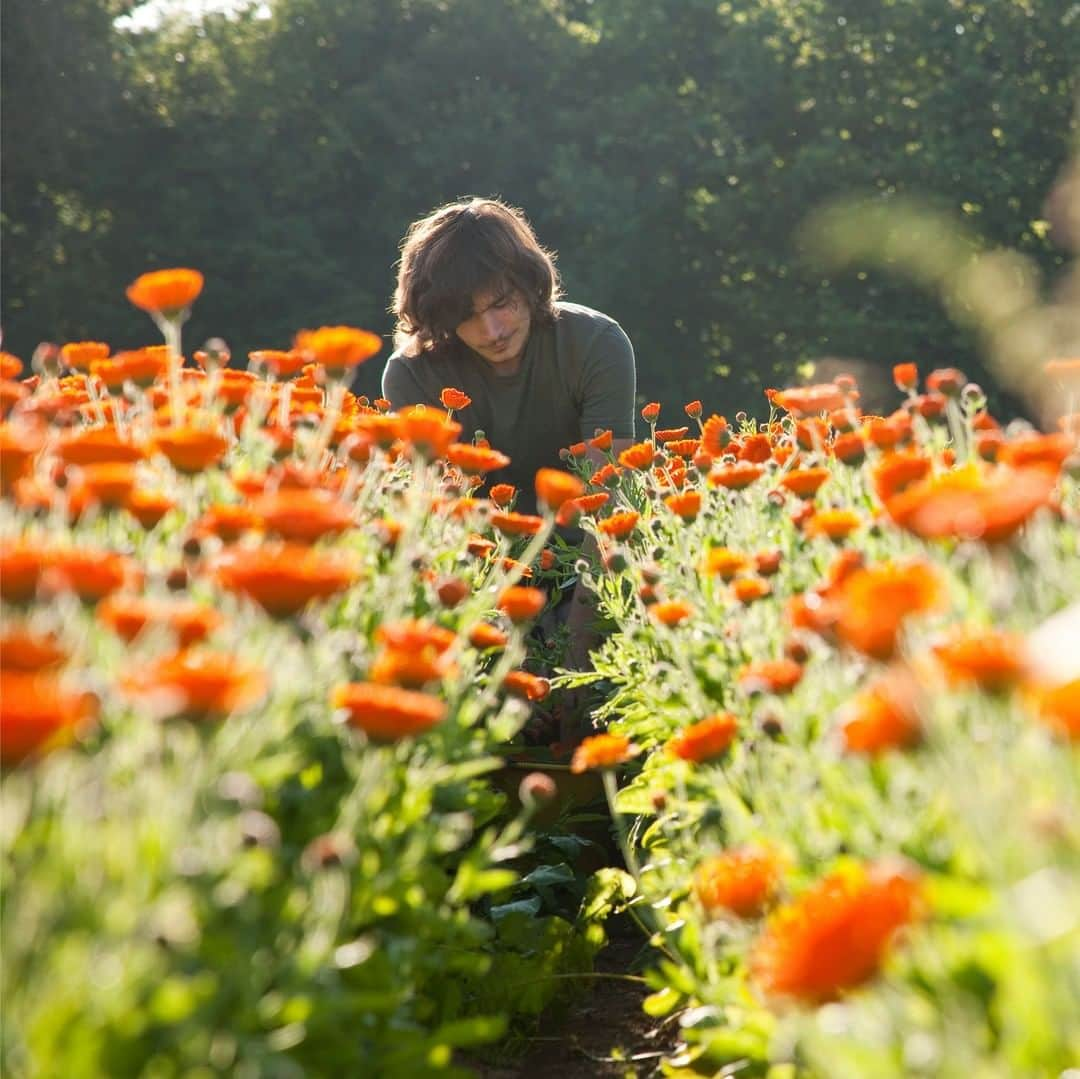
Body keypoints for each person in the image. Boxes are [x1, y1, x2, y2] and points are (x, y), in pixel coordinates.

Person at [381, 197, 637, 735]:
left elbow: (609, 506)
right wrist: (499, 653)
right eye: (466, 317)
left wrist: (578, 653)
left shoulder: (596, 343)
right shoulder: (412, 377)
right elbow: (445, 526)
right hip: (483, 578)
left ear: (530, 282)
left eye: (502, 303)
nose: (493, 329)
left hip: (588, 568)